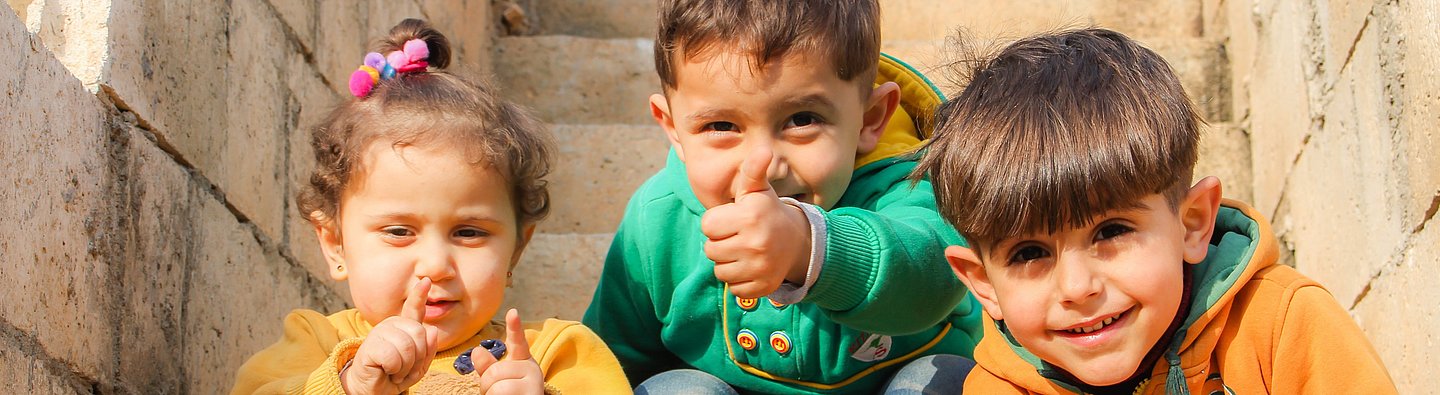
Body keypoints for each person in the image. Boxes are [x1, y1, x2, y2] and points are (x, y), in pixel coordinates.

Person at [914, 27, 1397, 394]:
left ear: (1192, 224)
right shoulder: (1000, 387)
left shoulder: (1281, 325)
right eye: (1028, 253)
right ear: (982, 284)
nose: (1078, 287)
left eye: (1111, 231)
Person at [582, 1, 983, 393]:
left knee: (944, 377)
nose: (765, 164)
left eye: (802, 120)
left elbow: (931, 280)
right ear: (673, 129)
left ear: (870, 119)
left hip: (894, 382)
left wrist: (809, 247)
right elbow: (615, 355)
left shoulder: (914, 187)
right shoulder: (657, 217)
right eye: (721, 125)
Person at [231, 18, 629, 395]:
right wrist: (350, 384)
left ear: (517, 248)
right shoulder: (315, 345)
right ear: (335, 244)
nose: (436, 264)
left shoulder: (558, 354)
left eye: (469, 232)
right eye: (399, 231)